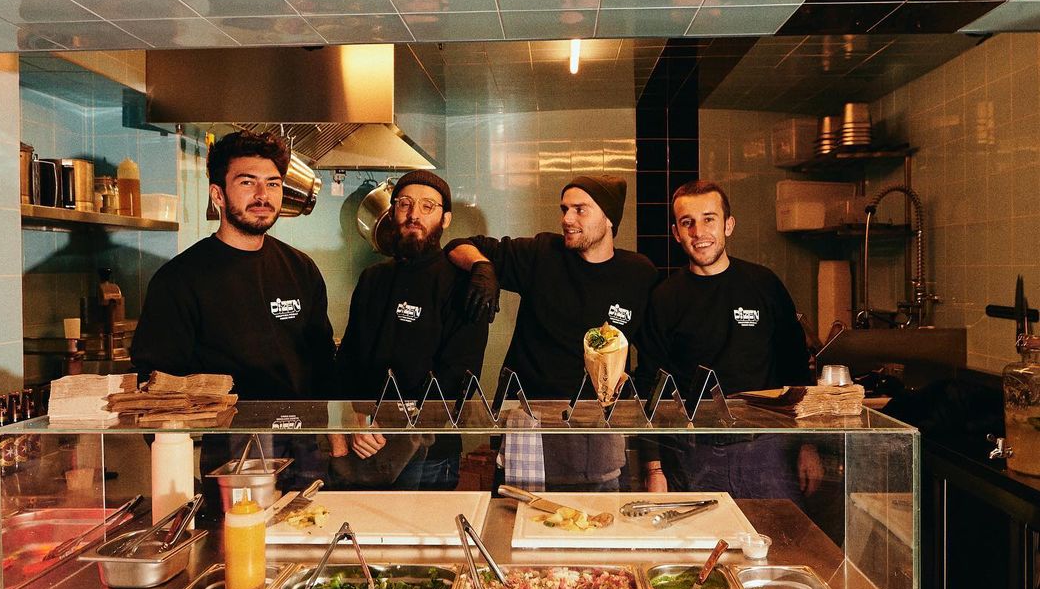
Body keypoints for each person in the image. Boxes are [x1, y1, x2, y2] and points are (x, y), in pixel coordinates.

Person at [131, 130, 337, 501]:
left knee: (310, 528)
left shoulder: (300, 268)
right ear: (218, 195)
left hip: (304, 441)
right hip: (231, 447)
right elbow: (157, 385)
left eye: (273, 184)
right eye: (247, 182)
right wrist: (174, 463)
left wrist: (335, 427)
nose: (263, 195)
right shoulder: (180, 279)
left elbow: (323, 361)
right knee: (238, 536)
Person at [446, 174, 658, 491]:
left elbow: (653, 356)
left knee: (595, 518)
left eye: (580, 209)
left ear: (609, 218)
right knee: (520, 519)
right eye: (565, 209)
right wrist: (482, 267)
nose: (567, 219)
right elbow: (457, 246)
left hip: (597, 431)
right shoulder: (542, 253)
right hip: (530, 421)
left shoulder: (638, 273)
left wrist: (630, 394)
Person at [638, 179, 822, 499]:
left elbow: (796, 369)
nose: (699, 232)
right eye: (687, 222)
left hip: (768, 451)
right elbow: (649, 387)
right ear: (676, 233)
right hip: (693, 454)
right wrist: (654, 469)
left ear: (728, 225)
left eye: (709, 219)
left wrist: (809, 445)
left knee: (775, 531)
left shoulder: (764, 285)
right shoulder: (664, 298)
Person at [332, 170, 488, 490]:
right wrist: (356, 421)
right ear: (393, 213)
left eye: (427, 206)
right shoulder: (372, 279)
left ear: (445, 219)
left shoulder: (462, 285)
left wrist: (392, 426)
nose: (414, 214)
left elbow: (459, 379)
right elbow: (348, 361)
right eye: (405, 204)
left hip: (430, 453)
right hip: (368, 445)